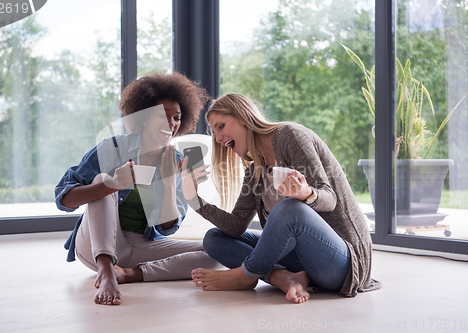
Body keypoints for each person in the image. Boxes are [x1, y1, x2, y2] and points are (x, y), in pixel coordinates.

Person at [181, 92, 381, 303]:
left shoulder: (290, 136)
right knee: (214, 238)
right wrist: (194, 199)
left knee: (290, 209)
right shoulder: (254, 170)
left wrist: (307, 194)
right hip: (302, 262)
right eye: (214, 133)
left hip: (342, 262)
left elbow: (329, 198)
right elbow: (236, 226)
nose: (218, 139)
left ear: (244, 116)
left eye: (221, 126)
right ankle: (281, 277)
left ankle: (245, 275)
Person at [55, 72, 221, 306]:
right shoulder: (113, 147)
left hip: (141, 246)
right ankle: (106, 271)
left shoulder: (177, 161)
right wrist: (111, 185)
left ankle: (129, 274)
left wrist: (172, 184)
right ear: (143, 117)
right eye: (162, 115)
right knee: (104, 179)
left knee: (216, 251)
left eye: (176, 118)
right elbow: (64, 199)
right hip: (96, 245)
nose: (171, 124)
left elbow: (167, 228)